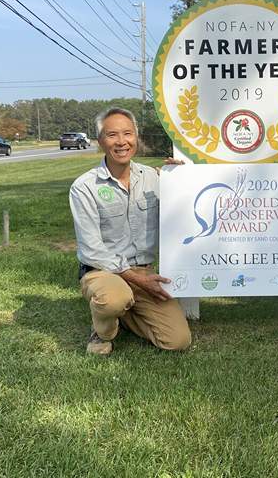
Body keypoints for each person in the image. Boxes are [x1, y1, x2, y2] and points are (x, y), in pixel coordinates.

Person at [69, 107, 191, 355]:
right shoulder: (84, 187)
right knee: (113, 298)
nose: (122, 142)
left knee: (177, 341)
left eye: (128, 133)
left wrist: (181, 179)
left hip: (144, 271)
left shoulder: (154, 177)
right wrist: (134, 278)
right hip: (101, 272)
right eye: (112, 135)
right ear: (100, 141)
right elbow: (91, 249)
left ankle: (123, 312)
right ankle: (103, 330)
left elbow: (184, 212)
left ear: (136, 137)